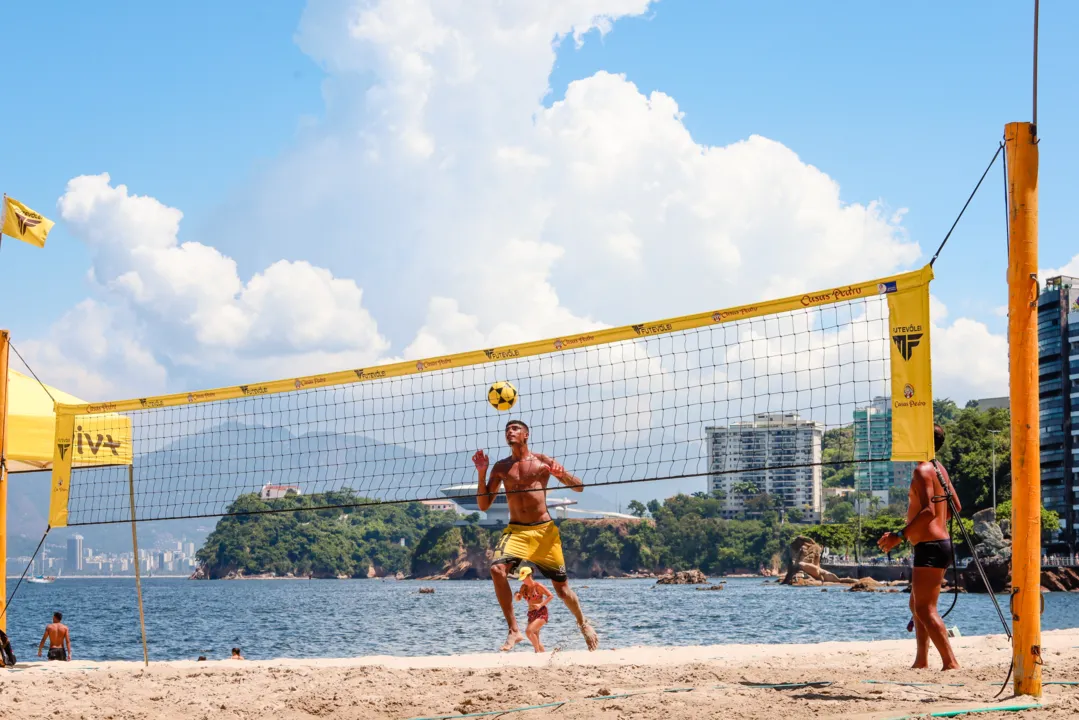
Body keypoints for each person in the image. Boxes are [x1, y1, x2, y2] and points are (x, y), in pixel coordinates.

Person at [473, 419, 599, 652]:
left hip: (544, 533)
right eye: (507, 430)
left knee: (562, 590)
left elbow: (579, 487)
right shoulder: (500, 467)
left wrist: (564, 476)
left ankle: (583, 623)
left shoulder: (542, 461)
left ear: (526, 435)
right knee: (496, 569)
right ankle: (514, 631)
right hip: (517, 531)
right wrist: (481, 474)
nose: (510, 432)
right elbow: (483, 505)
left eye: (515, 429)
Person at [877, 424, 961, 671]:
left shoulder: (922, 470)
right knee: (916, 605)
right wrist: (931, 527)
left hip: (932, 546)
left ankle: (951, 662)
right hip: (937, 543)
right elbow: (955, 506)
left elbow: (928, 511)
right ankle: (921, 660)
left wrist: (900, 536)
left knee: (925, 607)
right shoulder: (939, 469)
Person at [514, 566, 553, 653]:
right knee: (535, 637)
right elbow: (518, 599)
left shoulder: (538, 586)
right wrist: (516, 596)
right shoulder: (524, 587)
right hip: (531, 614)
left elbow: (550, 596)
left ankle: (537, 652)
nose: (523, 580)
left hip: (541, 613)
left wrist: (540, 604)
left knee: (529, 631)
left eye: (524, 578)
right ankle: (544, 656)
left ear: (529, 576)